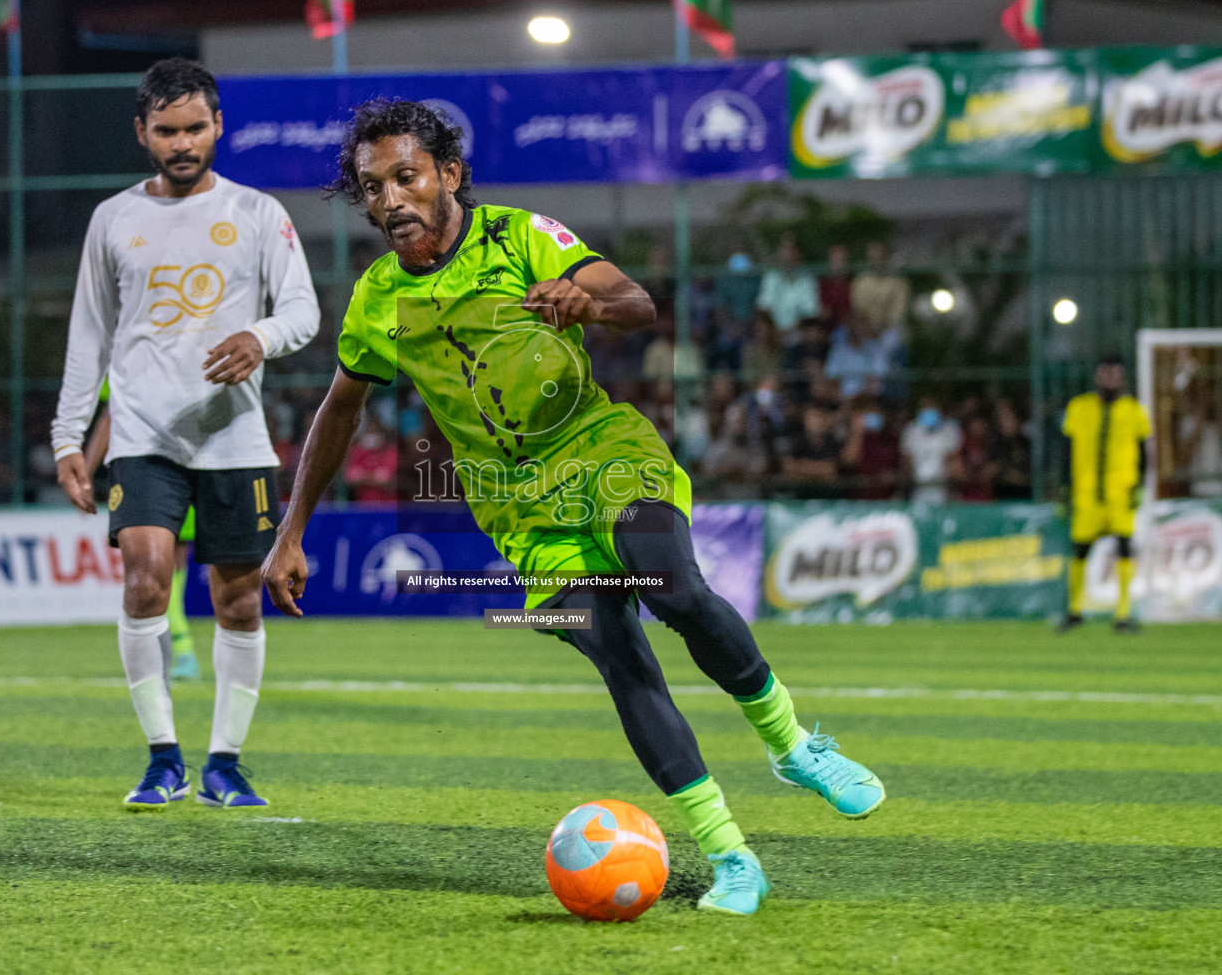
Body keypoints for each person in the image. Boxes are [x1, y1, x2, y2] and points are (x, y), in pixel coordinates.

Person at [260, 99, 883, 918]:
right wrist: (292, 529)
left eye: (406, 178)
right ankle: (733, 857)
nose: (390, 201)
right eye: (373, 188)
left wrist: (587, 305)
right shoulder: (379, 299)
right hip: (520, 512)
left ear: (448, 174)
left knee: (672, 588)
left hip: (604, 455)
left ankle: (795, 747)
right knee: (620, 653)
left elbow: (635, 303)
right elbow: (340, 411)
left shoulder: (523, 237)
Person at [51, 59, 320, 811]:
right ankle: (161, 758)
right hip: (143, 437)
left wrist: (259, 339)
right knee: (145, 580)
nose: (181, 143)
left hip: (235, 441)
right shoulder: (113, 218)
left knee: (238, 605)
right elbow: (89, 335)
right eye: (165, 130)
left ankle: (224, 765)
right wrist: (68, 438)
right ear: (142, 132)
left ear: (218, 126)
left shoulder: (260, 212)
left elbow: (303, 311)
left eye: (194, 128)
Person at [84, 385, 201, 681]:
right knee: (171, 565)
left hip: (149, 470)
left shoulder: (126, 348)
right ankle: (179, 648)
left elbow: (111, 415)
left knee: (155, 567)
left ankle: (179, 649)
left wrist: (85, 470)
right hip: (191, 464)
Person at [1059, 354, 1151, 635]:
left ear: (1122, 377)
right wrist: (1065, 487)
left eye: (1116, 373)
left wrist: (1141, 486)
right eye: (1106, 373)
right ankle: (1074, 611)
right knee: (1080, 549)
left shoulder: (1133, 409)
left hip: (1121, 492)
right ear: (1098, 375)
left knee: (1124, 547)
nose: (1111, 378)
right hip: (1086, 492)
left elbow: (1144, 453)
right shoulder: (1079, 407)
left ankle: (1122, 614)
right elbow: (1065, 449)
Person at [756, 234, 819, 338]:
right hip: (773, 334)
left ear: (798, 252)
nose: (788, 253)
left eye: (792, 248)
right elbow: (765, 307)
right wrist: (776, 331)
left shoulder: (807, 277)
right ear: (779, 251)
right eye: (785, 248)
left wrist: (788, 332)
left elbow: (809, 311)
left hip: (799, 334)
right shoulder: (771, 276)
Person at [901, 397, 961, 506]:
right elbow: (906, 460)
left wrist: (951, 488)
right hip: (918, 488)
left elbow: (954, 460)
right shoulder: (911, 430)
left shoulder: (949, 429)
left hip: (941, 487)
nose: (929, 413)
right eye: (926, 409)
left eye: (932, 409)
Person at [850, 240, 908, 334]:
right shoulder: (860, 281)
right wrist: (868, 326)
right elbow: (857, 307)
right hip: (865, 328)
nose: (876, 258)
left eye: (880, 254)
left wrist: (884, 325)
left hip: (890, 328)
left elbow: (898, 311)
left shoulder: (898, 282)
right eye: (873, 255)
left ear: (887, 256)